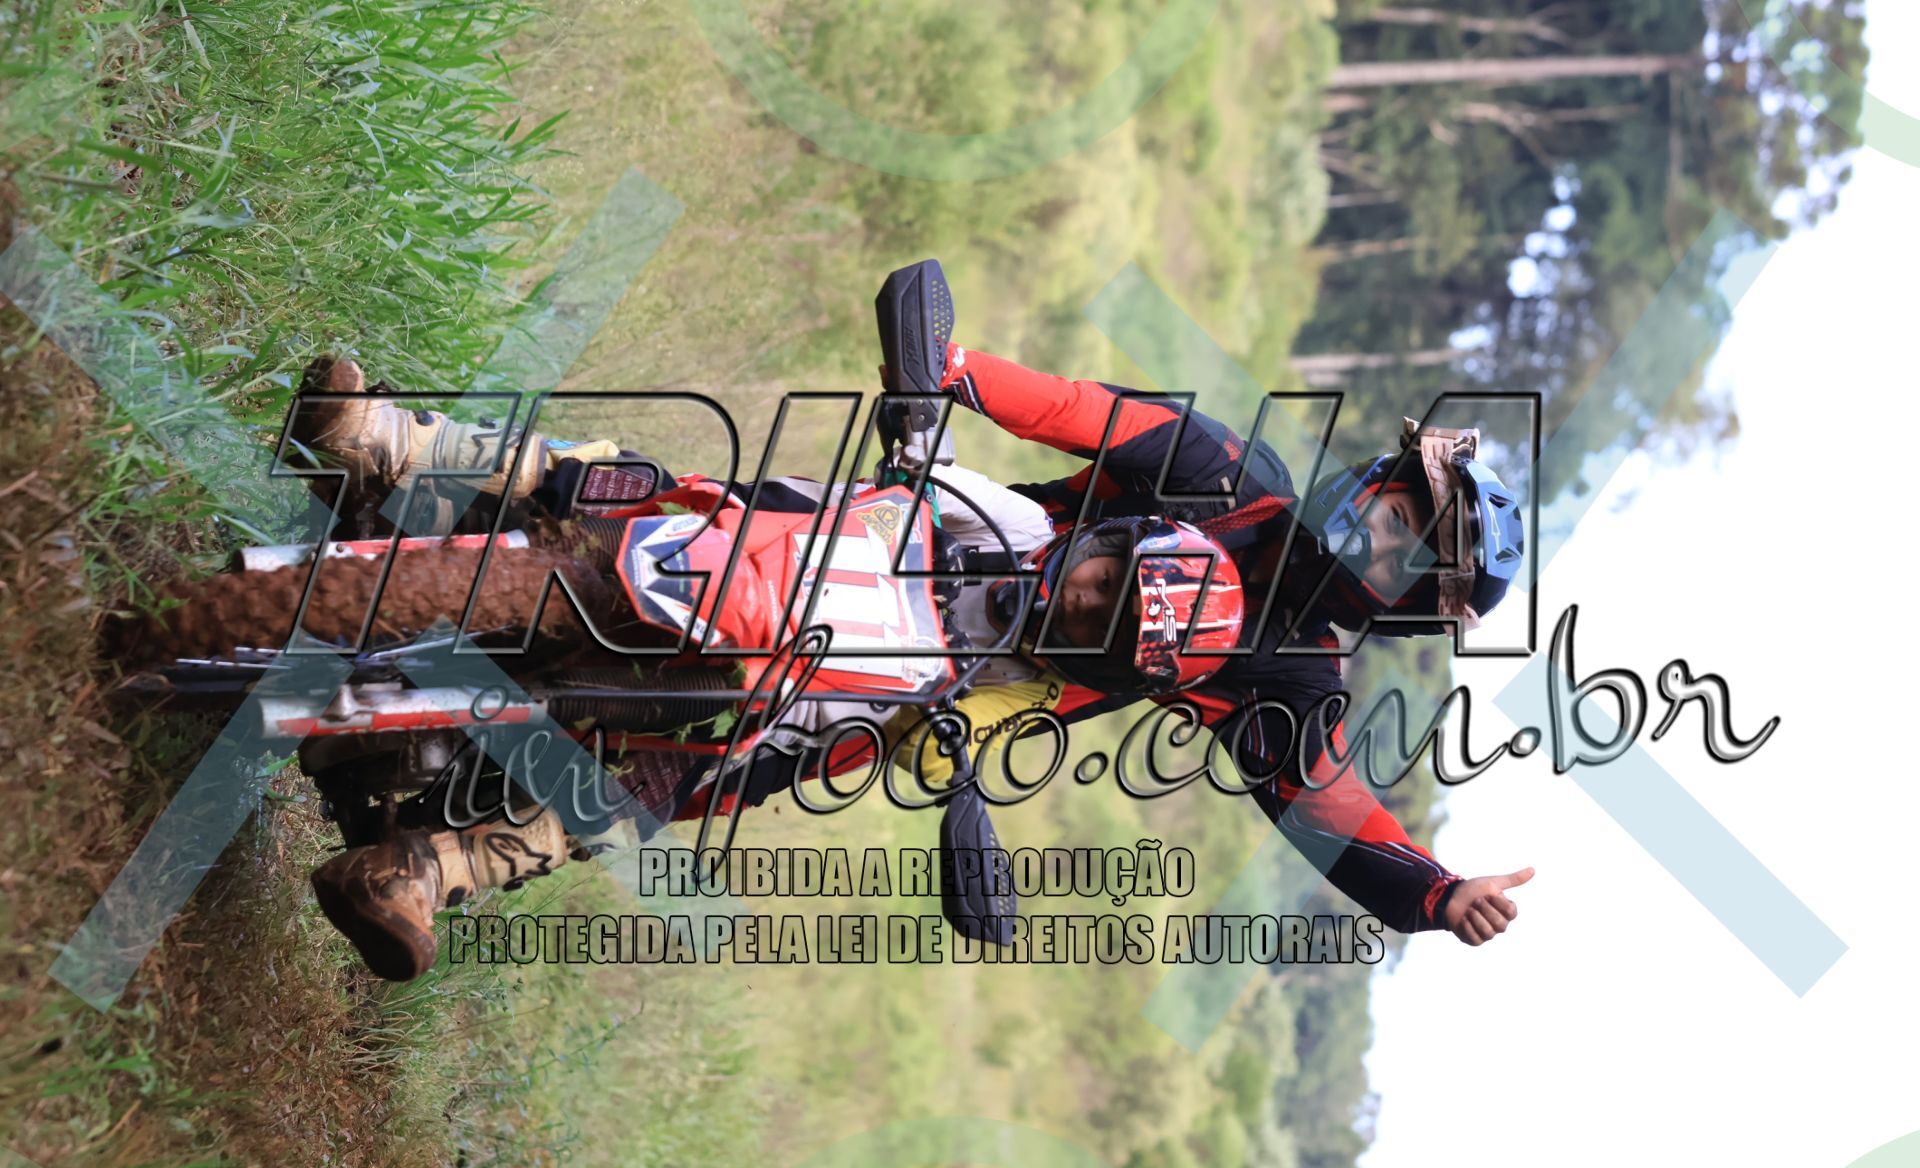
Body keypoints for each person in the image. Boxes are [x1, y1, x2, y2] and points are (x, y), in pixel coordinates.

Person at [299, 262, 1534, 979]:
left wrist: (1434, 893)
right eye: (1396, 504)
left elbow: (1333, 811)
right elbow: (1071, 406)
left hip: (961, 677)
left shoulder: (1294, 680)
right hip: (942, 533)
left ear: (1409, 607)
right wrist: (946, 375)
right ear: (1379, 470)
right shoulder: (1223, 466)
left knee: (708, 771)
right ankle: (399, 442)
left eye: (1406, 549)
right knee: (689, 503)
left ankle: (432, 869)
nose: (1377, 529)